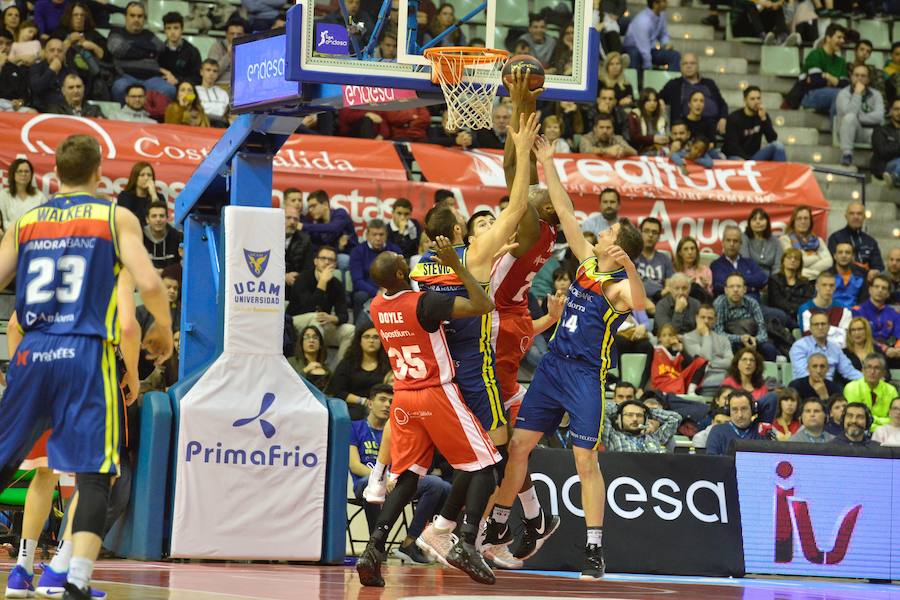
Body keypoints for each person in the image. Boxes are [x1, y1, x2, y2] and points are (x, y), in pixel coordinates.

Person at [0, 134, 173, 600]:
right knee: (97, 473)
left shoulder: (27, 220)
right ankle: (74, 579)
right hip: (84, 352)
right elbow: (151, 282)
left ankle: (42, 570)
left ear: (55, 173)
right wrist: (163, 327)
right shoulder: (114, 217)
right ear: (100, 172)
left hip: (32, 350)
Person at [492, 132, 646, 580]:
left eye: (610, 233)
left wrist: (632, 266)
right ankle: (501, 526)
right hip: (552, 366)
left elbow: (637, 301)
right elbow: (564, 210)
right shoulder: (584, 261)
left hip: (584, 377)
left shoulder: (616, 285)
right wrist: (548, 163)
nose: (600, 233)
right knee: (519, 446)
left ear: (617, 250)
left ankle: (594, 549)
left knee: (585, 461)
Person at [354, 237, 500, 587]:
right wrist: (455, 263)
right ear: (403, 272)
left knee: (408, 477)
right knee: (484, 468)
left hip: (403, 397)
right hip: (435, 393)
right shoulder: (425, 303)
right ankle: (465, 542)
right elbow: (484, 304)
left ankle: (373, 549)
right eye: (403, 259)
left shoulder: (376, 305)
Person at [348, 384, 451, 566]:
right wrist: (382, 478)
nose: (387, 404)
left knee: (437, 484)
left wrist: (395, 478)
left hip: (398, 480)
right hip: (367, 483)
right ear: (370, 404)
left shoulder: (401, 428)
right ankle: (376, 545)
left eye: (391, 401)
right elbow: (355, 465)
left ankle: (410, 543)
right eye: (382, 399)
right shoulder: (354, 427)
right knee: (368, 483)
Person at [287, 245, 355, 360]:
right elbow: (309, 307)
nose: (327, 262)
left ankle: (337, 374)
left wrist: (332, 318)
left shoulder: (336, 284)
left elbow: (344, 315)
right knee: (316, 318)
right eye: (323, 258)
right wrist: (322, 282)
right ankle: (316, 366)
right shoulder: (303, 278)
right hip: (295, 323)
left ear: (335, 264)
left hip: (321, 325)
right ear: (315, 261)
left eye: (331, 260)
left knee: (350, 330)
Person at [107, 1, 174, 102]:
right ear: (126, 17)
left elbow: (160, 47)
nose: (136, 19)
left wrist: (130, 46)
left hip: (152, 79)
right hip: (126, 77)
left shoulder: (149, 34)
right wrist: (148, 51)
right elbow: (118, 49)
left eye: (140, 16)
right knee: (119, 88)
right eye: (132, 15)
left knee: (170, 90)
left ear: (144, 19)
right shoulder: (117, 32)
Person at [326, 325, 391, 421]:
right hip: (353, 408)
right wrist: (363, 401)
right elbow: (338, 391)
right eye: (366, 337)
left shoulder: (388, 364)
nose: (371, 340)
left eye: (376, 337)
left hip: (382, 407)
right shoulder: (348, 363)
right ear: (359, 341)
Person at [713, 272, 778, 362]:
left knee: (769, 349)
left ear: (744, 289)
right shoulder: (719, 304)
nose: (735, 290)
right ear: (726, 290)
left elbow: (762, 331)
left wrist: (755, 340)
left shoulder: (752, 303)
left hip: (752, 340)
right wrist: (740, 339)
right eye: (731, 286)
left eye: (739, 286)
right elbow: (718, 333)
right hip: (732, 342)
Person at [659, 52, 727, 133]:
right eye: (685, 64)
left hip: (711, 127)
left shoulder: (709, 83)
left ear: (698, 66)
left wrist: (723, 118)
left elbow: (722, 104)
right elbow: (657, 97)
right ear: (680, 67)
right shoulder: (674, 85)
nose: (689, 66)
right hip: (685, 129)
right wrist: (660, 100)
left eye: (692, 63)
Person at [350, 219, 401, 325]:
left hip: (391, 290)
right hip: (367, 291)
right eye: (374, 234)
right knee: (360, 296)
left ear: (386, 235)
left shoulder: (395, 250)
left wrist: (388, 290)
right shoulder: (357, 251)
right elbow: (357, 280)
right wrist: (376, 292)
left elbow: (401, 275)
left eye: (381, 234)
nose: (378, 238)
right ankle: (359, 329)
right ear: (367, 235)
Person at [789, 312, 862, 383]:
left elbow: (849, 371)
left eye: (823, 324)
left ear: (829, 327)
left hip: (830, 387)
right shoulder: (799, 346)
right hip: (806, 386)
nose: (820, 327)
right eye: (816, 324)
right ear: (810, 328)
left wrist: (868, 380)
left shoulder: (835, 348)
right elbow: (802, 374)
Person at [834, 64, 884, 167]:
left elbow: (879, 117)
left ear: (868, 79)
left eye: (863, 76)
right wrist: (857, 94)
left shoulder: (876, 94)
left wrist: (859, 117)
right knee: (849, 118)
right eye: (856, 75)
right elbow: (849, 114)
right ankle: (847, 154)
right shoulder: (843, 94)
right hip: (848, 132)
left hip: (870, 133)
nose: (859, 78)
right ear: (851, 77)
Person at [723, 86, 785, 162]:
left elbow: (772, 139)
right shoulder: (734, 118)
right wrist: (746, 160)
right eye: (752, 99)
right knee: (738, 159)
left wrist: (764, 119)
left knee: (778, 146)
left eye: (758, 98)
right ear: (745, 100)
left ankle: (782, 173)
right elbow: (732, 145)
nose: (756, 102)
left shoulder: (762, 115)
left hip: (755, 157)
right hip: (737, 156)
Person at [796, 23, 847, 114]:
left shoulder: (841, 61)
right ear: (828, 38)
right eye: (839, 37)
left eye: (843, 38)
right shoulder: (815, 55)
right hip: (810, 95)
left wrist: (828, 76)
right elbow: (816, 81)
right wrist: (836, 81)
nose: (842, 41)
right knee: (840, 95)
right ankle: (837, 128)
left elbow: (845, 85)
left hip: (832, 95)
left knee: (845, 96)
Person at [303, 189, 358, 270]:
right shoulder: (318, 225)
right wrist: (338, 247)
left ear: (325, 204)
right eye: (309, 207)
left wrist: (304, 226)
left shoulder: (340, 213)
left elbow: (333, 228)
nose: (310, 210)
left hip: (349, 255)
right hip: (331, 257)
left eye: (313, 206)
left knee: (344, 260)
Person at [852, 275, 900, 367]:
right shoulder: (858, 310)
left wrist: (898, 349)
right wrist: (885, 349)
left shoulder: (894, 313)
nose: (880, 290)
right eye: (876, 286)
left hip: (891, 352)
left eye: (884, 288)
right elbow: (863, 336)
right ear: (870, 290)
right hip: (867, 351)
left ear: (888, 293)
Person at [622, 0, 680, 76]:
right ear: (655, 4)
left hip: (650, 48)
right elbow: (644, 48)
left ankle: (673, 83)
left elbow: (663, 33)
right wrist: (648, 68)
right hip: (633, 48)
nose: (667, 3)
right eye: (664, 1)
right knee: (635, 54)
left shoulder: (662, 14)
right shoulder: (643, 21)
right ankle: (637, 84)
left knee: (674, 55)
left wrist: (666, 43)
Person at [683, 304, 733, 391]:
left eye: (710, 318)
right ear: (696, 318)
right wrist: (706, 334)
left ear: (715, 320)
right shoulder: (688, 338)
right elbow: (703, 360)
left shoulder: (723, 339)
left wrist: (710, 363)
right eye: (702, 317)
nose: (706, 321)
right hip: (701, 379)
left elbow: (730, 362)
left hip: (723, 376)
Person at [827, 202, 885, 277]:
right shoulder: (835, 238)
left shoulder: (871, 241)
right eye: (852, 213)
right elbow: (832, 264)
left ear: (864, 217)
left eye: (859, 214)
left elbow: (878, 266)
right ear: (846, 216)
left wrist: (875, 271)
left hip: (867, 282)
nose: (856, 217)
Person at [842, 353, 898, 430]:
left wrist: (872, 420)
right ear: (863, 371)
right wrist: (882, 422)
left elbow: (896, 419)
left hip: (886, 433)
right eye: (869, 367)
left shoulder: (891, 390)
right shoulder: (851, 388)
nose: (872, 372)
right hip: (858, 430)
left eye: (877, 368)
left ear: (883, 373)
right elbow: (854, 419)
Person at [601, 399, 681, 453]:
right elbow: (601, 410)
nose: (635, 419)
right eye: (629, 415)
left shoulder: (655, 437)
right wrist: (621, 407)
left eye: (639, 415)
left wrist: (648, 411)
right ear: (619, 418)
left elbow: (675, 418)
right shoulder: (611, 436)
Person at [710, 225, 768, 299]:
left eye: (735, 241)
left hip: (753, 306)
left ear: (740, 244)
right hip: (728, 308)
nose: (731, 244)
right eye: (728, 240)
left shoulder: (750, 262)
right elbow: (719, 285)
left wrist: (733, 282)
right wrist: (752, 288)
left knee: (779, 311)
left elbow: (762, 279)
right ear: (723, 243)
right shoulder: (716, 265)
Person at [798, 272, 853, 347]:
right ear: (817, 286)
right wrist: (836, 332)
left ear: (835, 287)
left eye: (831, 285)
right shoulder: (805, 310)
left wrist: (821, 333)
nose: (828, 288)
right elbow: (811, 339)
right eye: (824, 285)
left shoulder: (844, 310)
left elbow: (845, 341)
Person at [649, 323, 707, 394]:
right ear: (659, 338)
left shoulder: (678, 352)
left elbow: (691, 365)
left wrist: (682, 350)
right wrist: (641, 388)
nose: (667, 338)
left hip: (677, 381)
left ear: (674, 337)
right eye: (664, 335)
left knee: (700, 361)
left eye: (670, 335)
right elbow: (646, 368)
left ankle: (691, 390)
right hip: (662, 384)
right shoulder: (654, 350)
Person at [779, 205, 832, 281]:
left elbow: (828, 262)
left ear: (810, 221)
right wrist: (817, 257)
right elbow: (793, 262)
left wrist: (801, 271)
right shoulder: (785, 239)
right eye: (799, 218)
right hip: (795, 283)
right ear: (794, 221)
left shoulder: (818, 240)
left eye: (806, 218)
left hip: (816, 284)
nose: (803, 222)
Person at [705, 391, 767, 455]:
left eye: (744, 408)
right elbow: (712, 461)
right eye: (734, 409)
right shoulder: (717, 431)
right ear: (729, 411)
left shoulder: (761, 430)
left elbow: (772, 397)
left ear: (752, 409)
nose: (740, 415)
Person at [766, 249, 813, 329]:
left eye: (796, 258)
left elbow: (808, 301)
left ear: (800, 263)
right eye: (789, 257)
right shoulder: (774, 280)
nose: (793, 260)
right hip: (781, 316)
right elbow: (777, 302)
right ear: (783, 261)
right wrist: (795, 308)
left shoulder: (805, 282)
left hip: (800, 315)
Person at [0, 158, 47, 231]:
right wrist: (24, 227)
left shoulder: (40, 196)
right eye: (20, 171)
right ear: (13, 174)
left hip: (33, 239)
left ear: (31, 174)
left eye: (27, 171)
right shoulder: (3, 195)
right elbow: (2, 223)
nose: (23, 174)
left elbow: (44, 221)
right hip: (9, 238)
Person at [635, 217, 674, 301]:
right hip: (636, 302)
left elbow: (669, 287)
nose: (650, 235)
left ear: (659, 236)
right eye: (646, 231)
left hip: (660, 300)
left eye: (654, 232)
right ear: (640, 233)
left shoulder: (665, 259)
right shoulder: (632, 257)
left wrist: (660, 296)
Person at [142, 200, 182, 271]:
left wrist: (164, 272)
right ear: (147, 219)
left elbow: (182, 264)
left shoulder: (178, 236)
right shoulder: (140, 237)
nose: (158, 219)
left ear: (167, 218)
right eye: (154, 216)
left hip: (171, 279)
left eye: (162, 216)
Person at [627, 88, 669, 155]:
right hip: (641, 151)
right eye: (649, 100)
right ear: (642, 101)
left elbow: (667, 135)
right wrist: (653, 139)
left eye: (655, 100)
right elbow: (634, 137)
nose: (652, 103)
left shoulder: (661, 117)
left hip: (661, 150)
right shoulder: (634, 115)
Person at [288, 325, 330, 392]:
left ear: (320, 345)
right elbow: (288, 386)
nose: (311, 340)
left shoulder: (327, 370)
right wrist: (305, 370)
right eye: (307, 337)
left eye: (315, 337)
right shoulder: (291, 362)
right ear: (301, 343)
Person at [208, 18, 245, 87]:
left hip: (241, 86)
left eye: (239, 34)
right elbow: (211, 73)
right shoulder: (217, 47)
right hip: (220, 86)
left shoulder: (247, 48)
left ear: (244, 35)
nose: (235, 37)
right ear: (226, 34)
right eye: (232, 34)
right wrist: (228, 56)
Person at [872, 98, 900, 187]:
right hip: (886, 166)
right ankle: (895, 176)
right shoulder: (880, 130)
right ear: (891, 111)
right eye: (896, 109)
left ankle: (895, 177)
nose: (899, 112)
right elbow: (883, 151)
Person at [830, 242, 868, 307]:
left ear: (853, 256)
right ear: (835, 256)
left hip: (855, 314)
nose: (844, 256)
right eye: (840, 252)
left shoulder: (861, 275)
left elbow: (863, 300)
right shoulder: (826, 275)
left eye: (847, 253)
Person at [284, 203, 313, 286]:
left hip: (296, 285)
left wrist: (298, 278)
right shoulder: (270, 238)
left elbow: (309, 269)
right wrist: (284, 277)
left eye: (296, 219)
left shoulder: (305, 240)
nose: (292, 222)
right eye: (288, 218)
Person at [196, 59, 229, 127]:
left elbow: (228, 113)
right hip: (201, 124)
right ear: (201, 72)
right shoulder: (194, 90)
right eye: (208, 70)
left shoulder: (223, 93)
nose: (211, 73)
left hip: (222, 124)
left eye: (215, 71)